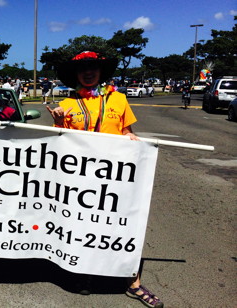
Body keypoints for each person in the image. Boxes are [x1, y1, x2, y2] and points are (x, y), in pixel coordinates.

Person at [46, 51, 163, 308]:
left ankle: (133, 281)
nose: (88, 73)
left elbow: (126, 131)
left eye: (93, 68)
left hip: (115, 176)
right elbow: (60, 145)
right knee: (83, 226)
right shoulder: (67, 103)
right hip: (80, 178)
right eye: (83, 69)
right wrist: (57, 123)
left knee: (122, 225)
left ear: (100, 72)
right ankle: (86, 273)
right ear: (76, 74)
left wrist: (133, 140)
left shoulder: (119, 98)